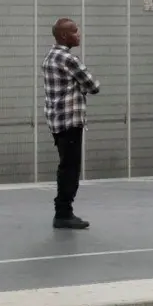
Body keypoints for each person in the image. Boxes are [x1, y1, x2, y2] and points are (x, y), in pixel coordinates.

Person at [42, 18, 98, 230]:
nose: (79, 34)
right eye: (75, 31)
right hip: (71, 120)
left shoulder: (49, 57)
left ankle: (63, 211)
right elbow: (93, 86)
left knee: (65, 164)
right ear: (64, 36)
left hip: (56, 120)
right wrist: (80, 87)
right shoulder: (68, 59)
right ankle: (64, 212)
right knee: (70, 168)